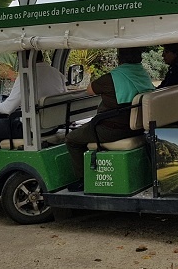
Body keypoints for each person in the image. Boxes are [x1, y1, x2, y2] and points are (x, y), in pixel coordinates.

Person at [65, 46, 154, 191]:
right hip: (137, 127)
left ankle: (84, 180)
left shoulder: (112, 78)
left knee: (72, 138)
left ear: (119, 58)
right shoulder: (142, 73)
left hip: (112, 129)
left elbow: (90, 90)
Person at [0, 51, 67, 184]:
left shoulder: (26, 75)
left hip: (32, 129)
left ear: (23, 59)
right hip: (52, 126)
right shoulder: (56, 73)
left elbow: (7, 108)